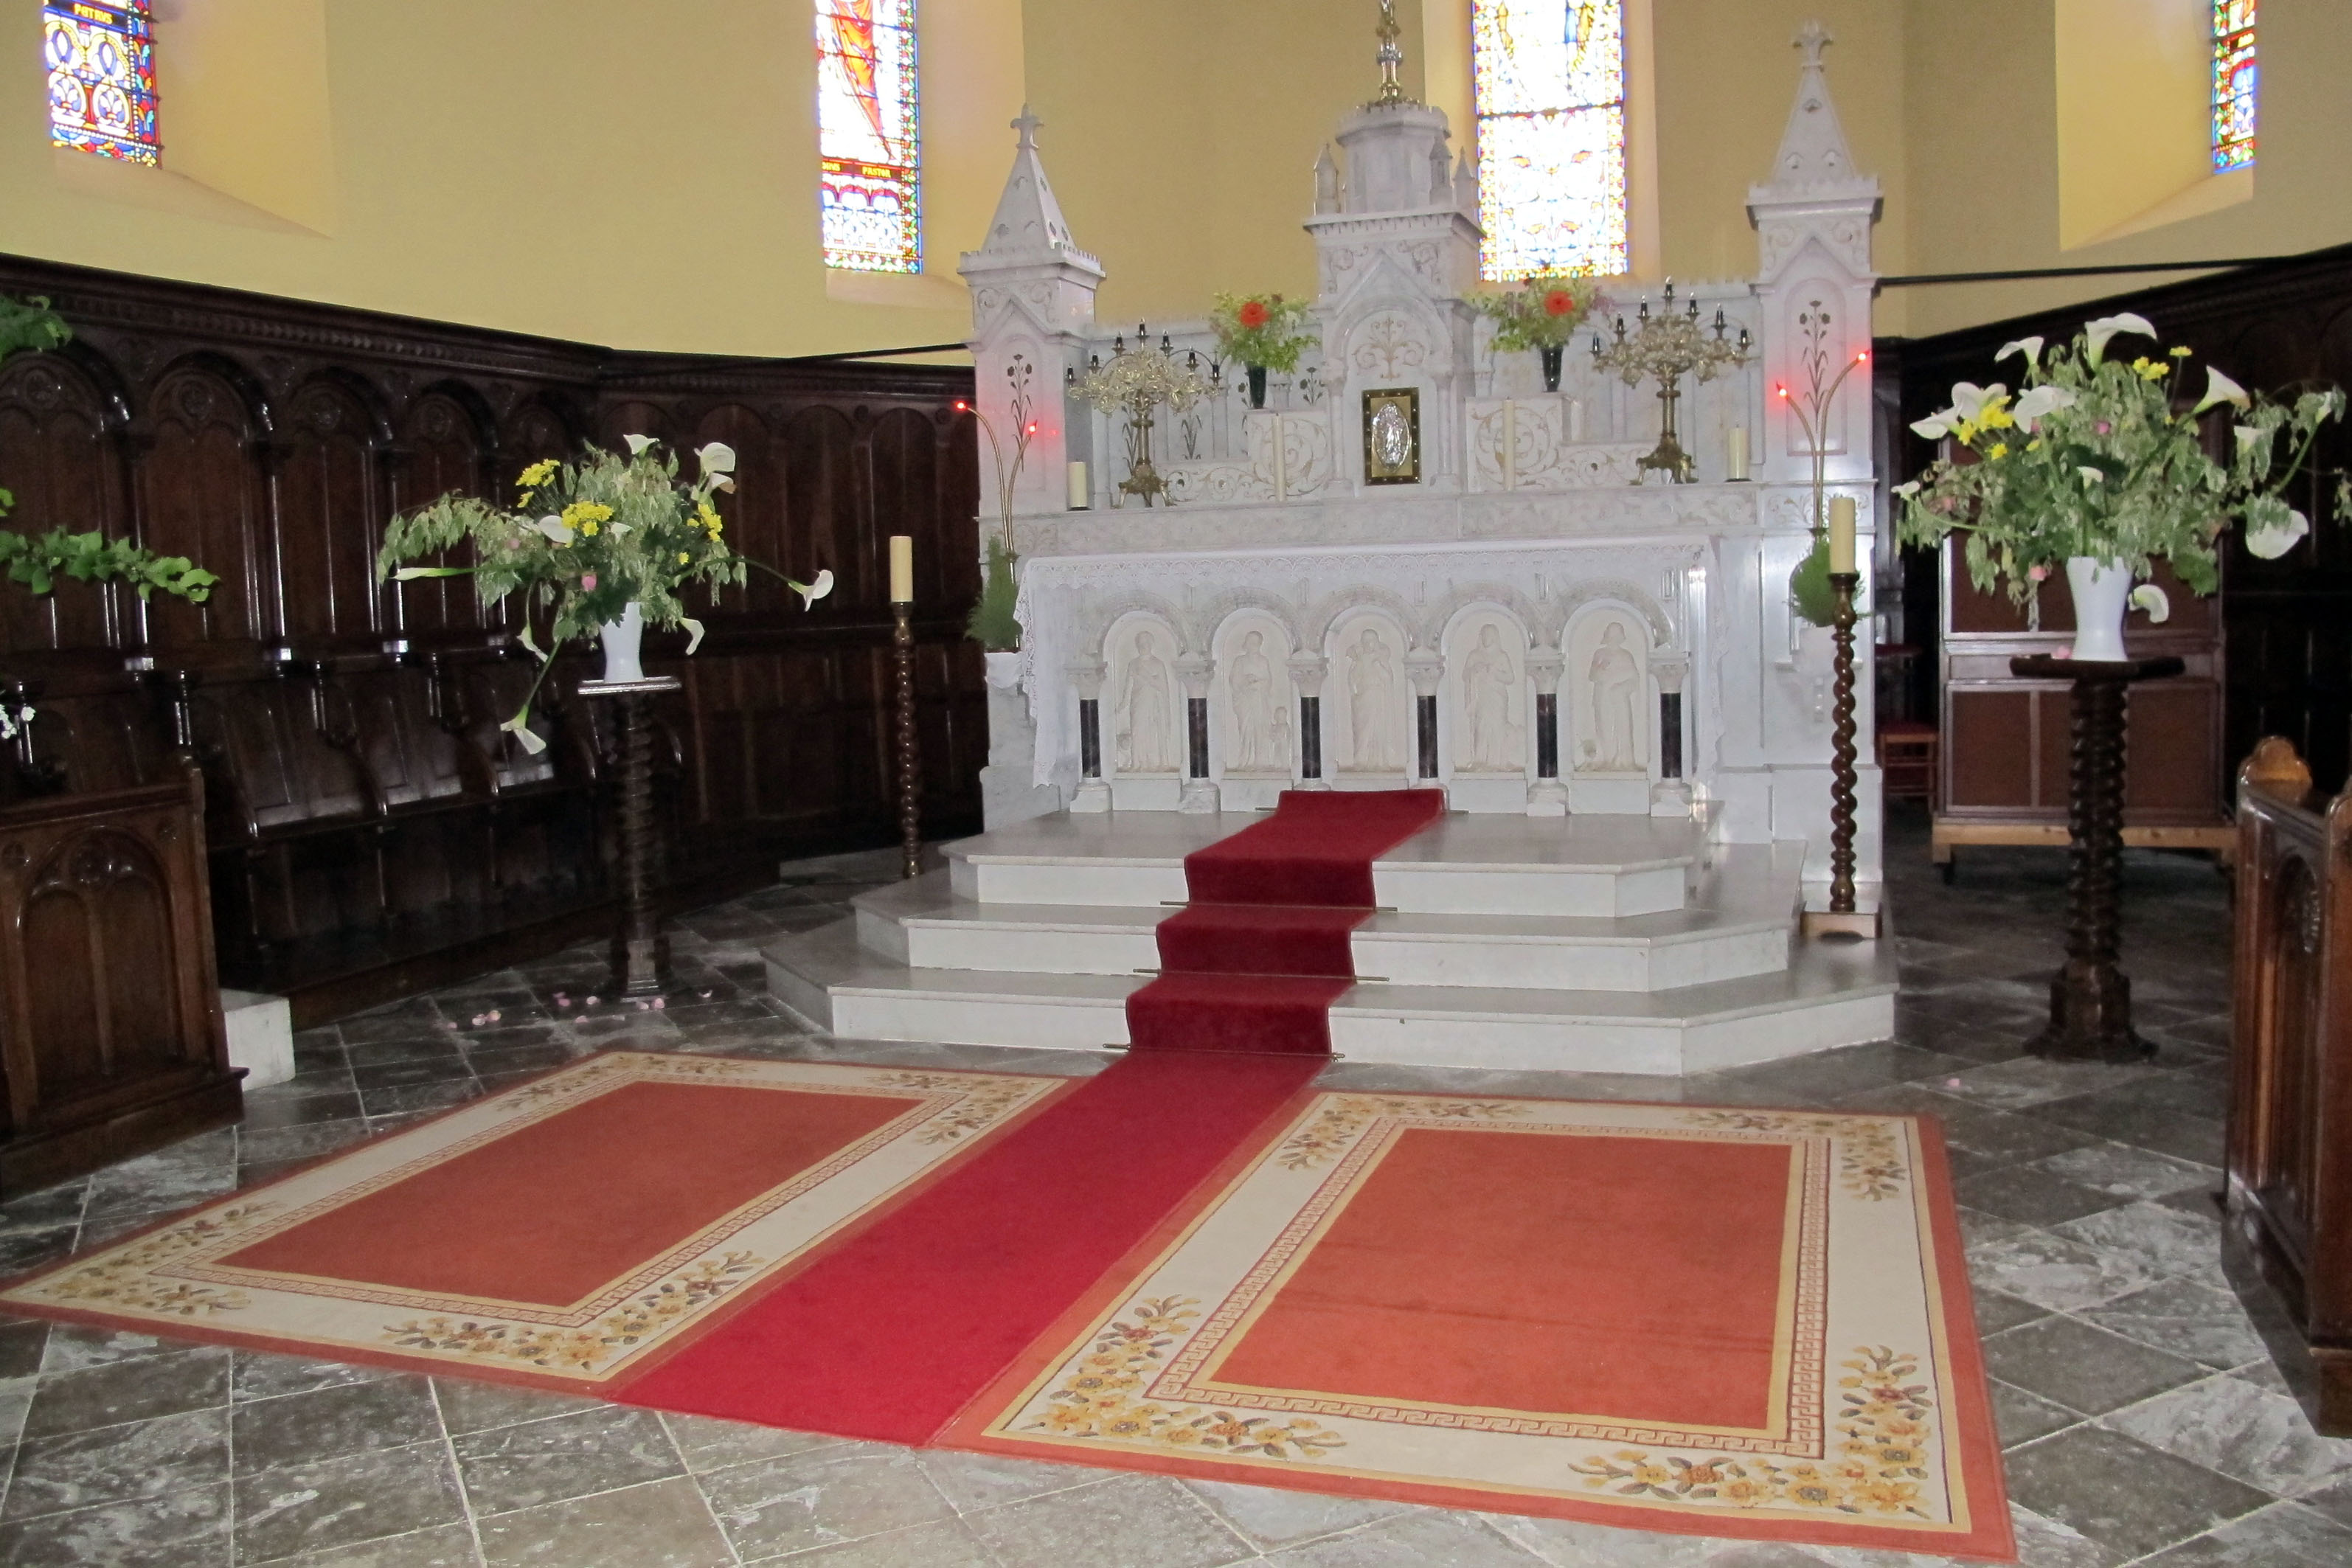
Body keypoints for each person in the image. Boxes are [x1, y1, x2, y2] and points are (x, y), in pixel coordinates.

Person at [1117, 630, 1176, 772]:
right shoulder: (1133, 664)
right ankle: (1137, 762)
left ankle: (1154, 762)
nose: (1144, 645)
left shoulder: (1158, 664)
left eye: (1146, 642)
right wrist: (1124, 703)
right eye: (1141, 643)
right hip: (1137, 702)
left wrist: (1146, 677)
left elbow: (1163, 686)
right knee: (1137, 730)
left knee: (1153, 731)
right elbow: (1128, 686)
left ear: (1151, 644)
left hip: (1154, 703)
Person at [1588, 620, 1642, 771]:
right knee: (1604, 727)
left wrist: (1620, 686)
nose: (1614, 638)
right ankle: (1607, 759)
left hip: (1619, 699)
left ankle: (1622, 760)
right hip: (1602, 697)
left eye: (1617, 634)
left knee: (1622, 728)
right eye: (1612, 634)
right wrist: (1601, 671)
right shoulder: (1600, 654)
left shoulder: (1626, 655)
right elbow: (1592, 675)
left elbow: (1634, 679)